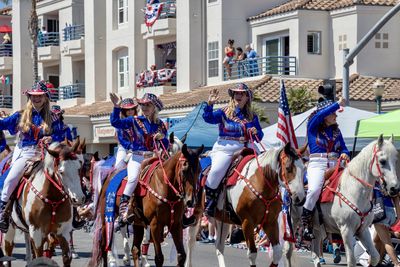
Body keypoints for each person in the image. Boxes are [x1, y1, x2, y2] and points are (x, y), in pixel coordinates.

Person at [0, 81, 62, 232]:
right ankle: (3, 210)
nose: (36, 98)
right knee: (10, 178)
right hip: (27, 152)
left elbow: (60, 135)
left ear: (45, 97)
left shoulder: (53, 117)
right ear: (29, 97)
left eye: (39, 96)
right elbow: (2, 124)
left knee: (68, 172)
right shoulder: (20, 115)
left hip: (47, 153)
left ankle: (75, 211)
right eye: (33, 96)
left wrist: (52, 139)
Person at [202, 83, 264, 217]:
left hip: (246, 146)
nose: (238, 95)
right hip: (225, 148)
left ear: (247, 97)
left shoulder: (252, 116)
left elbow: (260, 135)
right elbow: (208, 118)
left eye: (241, 93)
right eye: (236, 93)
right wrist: (210, 104)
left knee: (265, 166)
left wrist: (255, 131)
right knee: (217, 171)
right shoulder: (223, 112)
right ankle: (210, 202)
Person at [110, 92, 168, 223]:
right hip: (137, 157)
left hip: (154, 158)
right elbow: (115, 122)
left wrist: (163, 138)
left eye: (148, 105)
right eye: (142, 105)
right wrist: (116, 107)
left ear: (155, 107)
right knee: (133, 179)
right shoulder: (134, 120)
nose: (144, 107)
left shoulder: (160, 125)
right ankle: (123, 210)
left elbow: (165, 145)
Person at [301, 97, 349, 241]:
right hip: (317, 164)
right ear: (325, 115)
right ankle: (306, 222)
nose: (336, 115)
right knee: (314, 189)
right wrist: (337, 104)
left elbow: (344, 147)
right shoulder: (312, 125)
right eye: (333, 113)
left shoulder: (336, 131)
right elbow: (319, 115)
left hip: (335, 164)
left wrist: (345, 153)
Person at [373, 185, 400, 266]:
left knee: (386, 241)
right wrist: (398, 217)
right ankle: (374, 262)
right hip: (391, 212)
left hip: (379, 212)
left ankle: (397, 264)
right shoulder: (390, 183)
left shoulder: (373, 183)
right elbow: (396, 198)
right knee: (376, 240)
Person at [113, 98, 139, 169]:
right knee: (119, 167)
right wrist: (130, 147)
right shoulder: (121, 123)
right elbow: (121, 139)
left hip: (138, 149)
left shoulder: (139, 121)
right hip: (124, 149)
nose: (130, 111)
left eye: (132, 109)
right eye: (128, 109)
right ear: (124, 111)